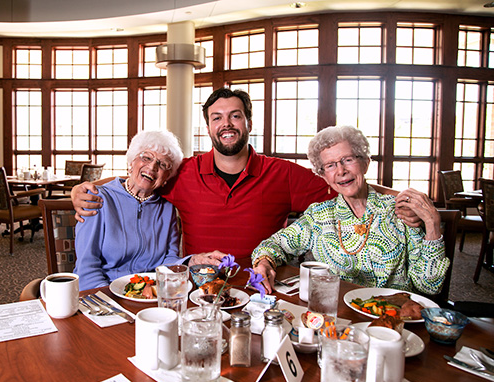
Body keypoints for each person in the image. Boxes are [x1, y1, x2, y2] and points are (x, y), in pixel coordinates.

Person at [71, 88, 418, 261]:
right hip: (198, 283)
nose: (227, 124)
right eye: (217, 117)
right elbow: (140, 180)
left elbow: (349, 183)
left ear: (248, 123)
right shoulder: (185, 172)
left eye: (235, 116)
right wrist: (85, 190)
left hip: (262, 284)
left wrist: (405, 198)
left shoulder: (281, 173)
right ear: (208, 127)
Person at [251, 125, 449, 295]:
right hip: (340, 318)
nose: (341, 171)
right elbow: (272, 245)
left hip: (393, 319)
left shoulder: (400, 212)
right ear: (324, 176)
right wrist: (264, 263)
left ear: (365, 162)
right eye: (330, 165)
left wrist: (432, 224)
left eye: (348, 159)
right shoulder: (319, 216)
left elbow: (429, 286)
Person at [74, 130, 225, 290]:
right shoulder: (96, 198)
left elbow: (169, 260)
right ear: (132, 161)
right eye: (146, 157)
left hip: (150, 293)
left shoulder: (167, 208)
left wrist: (192, 261)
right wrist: (111, 302)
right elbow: (86, 268)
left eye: (163, 164)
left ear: (167, 176)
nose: (152, 167)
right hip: (104, 293)